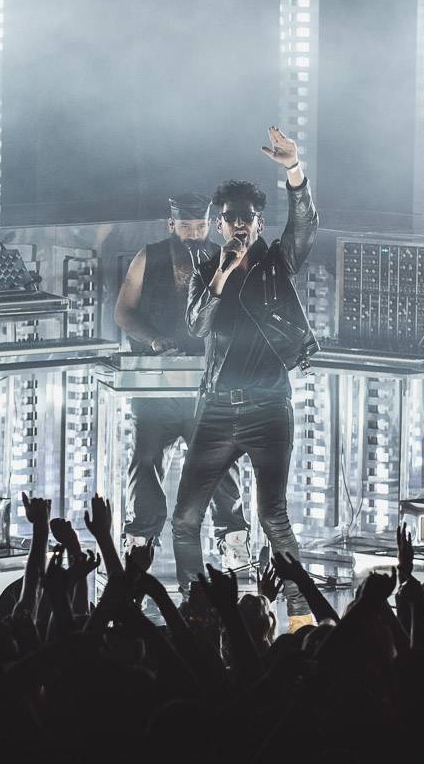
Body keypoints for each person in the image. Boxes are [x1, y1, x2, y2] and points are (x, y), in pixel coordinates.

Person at [173, 126, 319, 631]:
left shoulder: (278, 263)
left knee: (273, 516)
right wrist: (222, 272)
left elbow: (305, 226)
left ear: (259, 223)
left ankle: (300, 618)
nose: (239, 224)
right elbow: (197, 326)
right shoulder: (204, 272)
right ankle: (196, 611)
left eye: (247, 218)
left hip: (268, 408)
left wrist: (293, 169)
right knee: (185, 518)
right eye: (230, 217)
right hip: (216, 409)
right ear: (218, 224)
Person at [113, 194, 250, 566]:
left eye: (200, 226)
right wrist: (154, 340)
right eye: (186, 226)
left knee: (221, 462)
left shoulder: (223, 259)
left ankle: (233, 540)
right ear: (171, 225)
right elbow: (124, 313)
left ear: (210, 226)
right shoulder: (149, 257)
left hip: (206, 386)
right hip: (156, 385)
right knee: (145, 460)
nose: (193, 233)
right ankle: (140, 540)